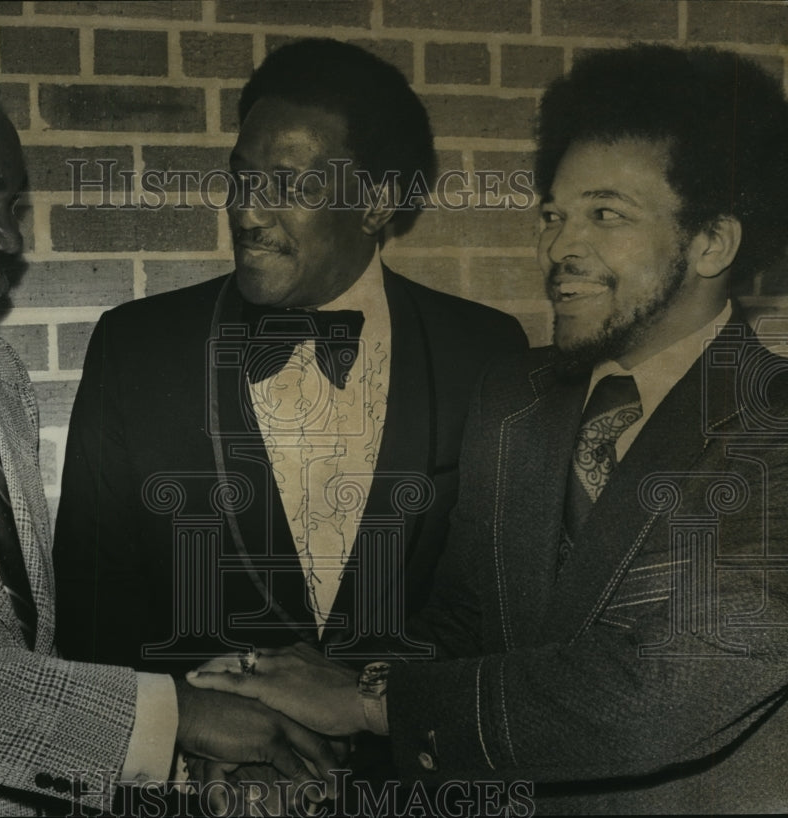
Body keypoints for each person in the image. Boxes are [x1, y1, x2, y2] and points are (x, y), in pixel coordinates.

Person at [187, 44, 788, 813]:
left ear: (714, 242)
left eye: (606, 214)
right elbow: (466, 619)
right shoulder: (514, 397)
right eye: (553, 216)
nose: (559, 247)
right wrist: (285, 709)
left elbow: (659, 691)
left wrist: (369, 704)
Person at [0, 31, 339, 816]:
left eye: (12, 207)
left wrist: (186, 755)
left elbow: (22, 659)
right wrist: (170, 718)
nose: (9, 239)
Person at [53, 38, 527, 680]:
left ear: (377, 202)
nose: (247, 211)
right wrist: (191, 727)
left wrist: (369, 709)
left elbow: (500, 610)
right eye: (242, 176)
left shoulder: (485, 351)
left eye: (288, 185)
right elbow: (92, 612)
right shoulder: (133, 346)